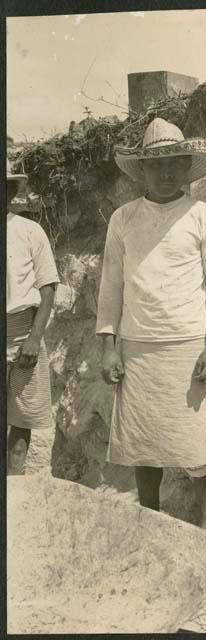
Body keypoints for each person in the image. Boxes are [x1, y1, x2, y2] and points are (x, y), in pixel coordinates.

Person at [96, 117, 206, 532]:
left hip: (188, 347)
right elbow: (110, 287)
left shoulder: (204, 217)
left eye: (174, 162)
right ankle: (152, 529)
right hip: (138, 348)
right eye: (156, 165)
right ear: (142, 170)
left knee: (201, 449)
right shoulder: (123, 219)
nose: (166, 171)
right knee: (144, 447)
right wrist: (109, 345)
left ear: (185, 166)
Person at [6, 159, 59, 475]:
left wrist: (35, 338)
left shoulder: (29, 230)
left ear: (11, 191)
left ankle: (15, 482)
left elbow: (48, 287)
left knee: (22, 414)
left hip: (22, 330)